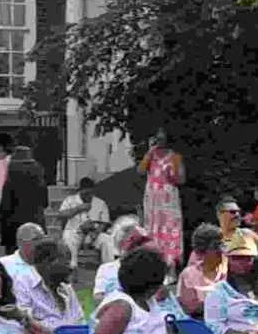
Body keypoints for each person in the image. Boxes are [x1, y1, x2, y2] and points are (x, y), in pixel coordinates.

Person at [12, 237, 84, 332]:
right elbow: (24, 325)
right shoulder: (22, 284)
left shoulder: (65, 287)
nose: (71, 267)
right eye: (65, 261)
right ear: (47, 262)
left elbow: (80, 322)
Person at [138, 131, 185, 268]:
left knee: (169, 232)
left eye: (161, 138)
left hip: (168, 202)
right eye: (156, 138)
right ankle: (152, 265)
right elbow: (140, 171)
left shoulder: (175, 157)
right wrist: (149, 152)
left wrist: (172, 173)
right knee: (152, 231)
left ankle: (169, 267)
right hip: (152, 202)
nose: (158, 141)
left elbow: (181, 180)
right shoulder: (150, 156)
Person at [0, 144, 47, 256]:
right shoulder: (40, 183)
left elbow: (6, 206)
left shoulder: (10, 182)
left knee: (13, 258)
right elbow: (45, 203)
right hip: (35, 222)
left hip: (13, 225)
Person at [93, 219, 155, 302]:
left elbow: (158, 294)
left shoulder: (148, 267)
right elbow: (98, 297)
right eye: (131, 245)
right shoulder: (106, 269)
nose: (135, 249)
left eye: (138, 245)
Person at [58, 177, 112, 269]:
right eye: (86, 193)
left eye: (90, 193)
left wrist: (96, 233)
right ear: (80, 191)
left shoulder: (100, 203)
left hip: (93, 233)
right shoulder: (70, 200)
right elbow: (61, 215)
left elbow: (105, 222)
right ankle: (73, 267)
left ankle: (108, 267)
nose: (88, 196)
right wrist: (78, 209)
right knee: (69, 237)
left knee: (106, 239)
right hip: (74, 231)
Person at [177, 224, 228, 317]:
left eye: (223, 245)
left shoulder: (230, 270)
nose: (221, 250)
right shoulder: (189, 274)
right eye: (216, 247)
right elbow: (190, 308)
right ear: (201, 251)